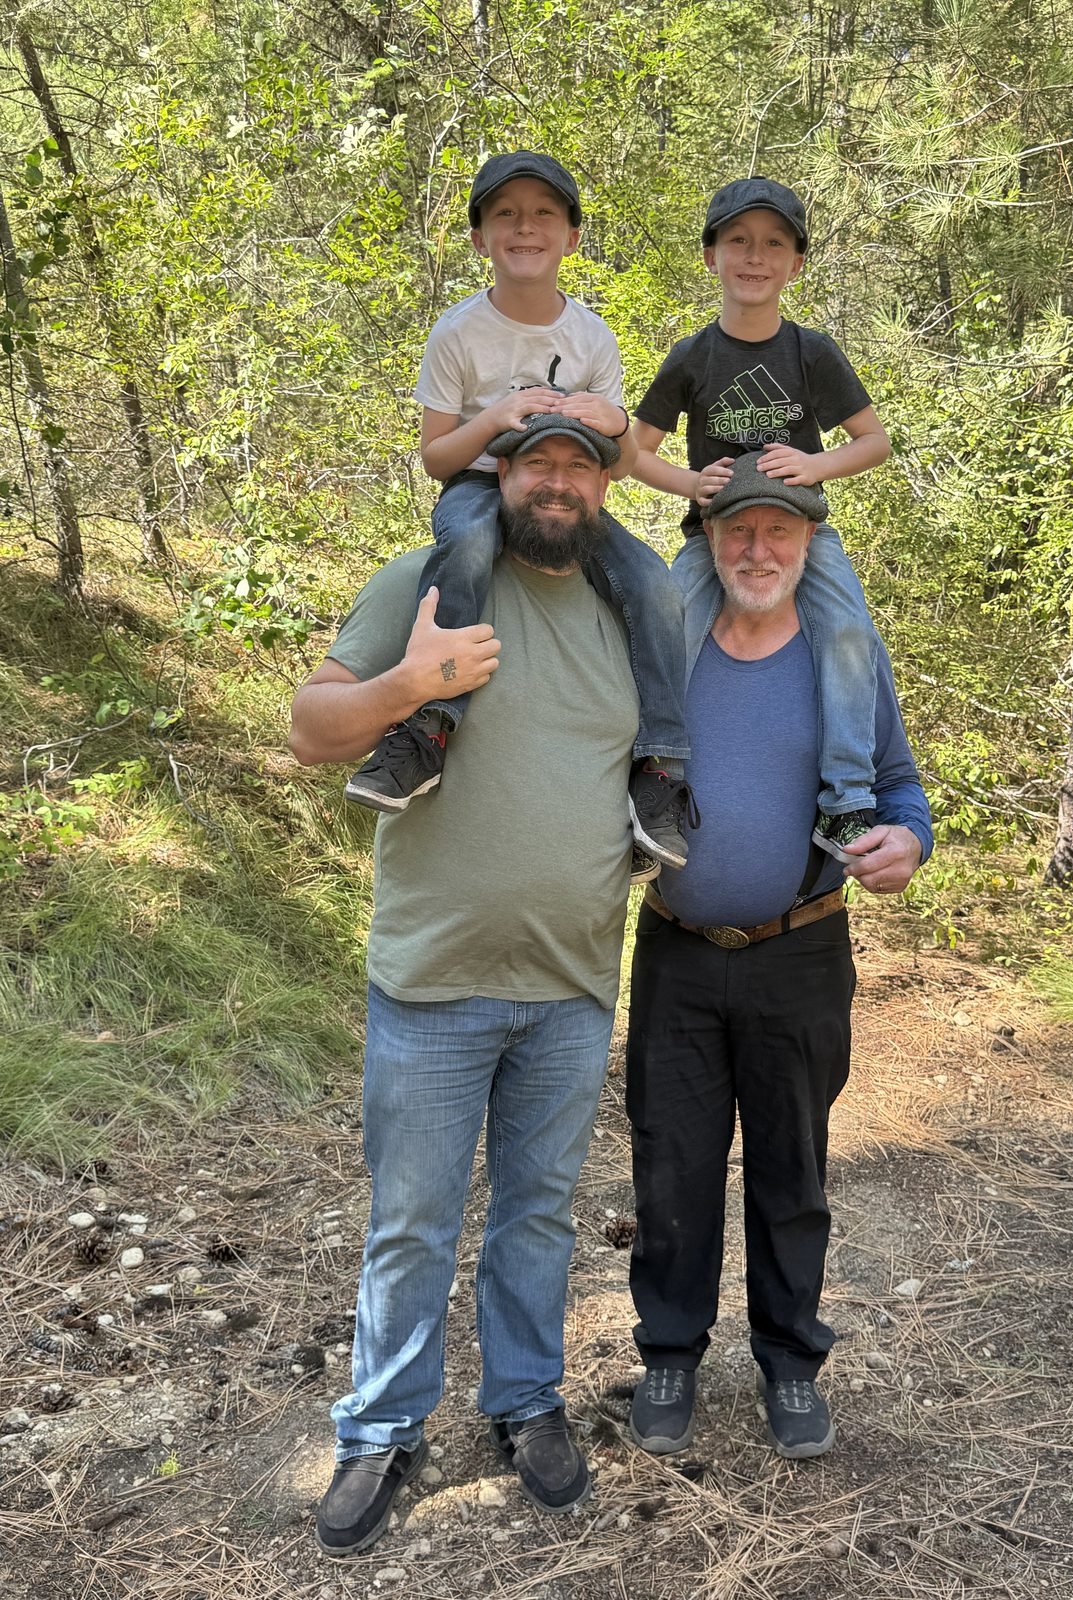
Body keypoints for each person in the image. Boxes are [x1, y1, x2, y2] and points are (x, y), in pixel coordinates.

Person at [290, 413, 651, 1557]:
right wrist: (406, 683)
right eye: (537, 461)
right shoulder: (426, 581)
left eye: (579, 465)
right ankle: (382, 1429)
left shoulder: (629, 612)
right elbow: (311, 728)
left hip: (573, 983)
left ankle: (525, 1401)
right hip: (433, 983)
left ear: (604, 485)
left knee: (538, 1216)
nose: (558, 481)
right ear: (500, 472)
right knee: (412, 1223)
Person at [624, 452, 933, 1460]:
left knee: (792, 1167)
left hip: (801, 951)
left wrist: (910, 840)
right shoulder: (665, 650)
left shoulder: (844, 654)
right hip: (673, 949)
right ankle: (670, 1352)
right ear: (710, 541)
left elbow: (899, 784)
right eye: (738, 530)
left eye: (779, 532)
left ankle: (791, 1362)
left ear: (808, 544)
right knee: (670, 1164)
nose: (757, 550)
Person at [344, 150, 695, 870]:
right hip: (479, 484)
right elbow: (436, 457)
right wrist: (493, 420)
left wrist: (618, 425)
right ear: (480, 238)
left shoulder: (592, 337)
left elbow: (619, 463)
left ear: (572, 236)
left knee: (654, 582)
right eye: (505, 214)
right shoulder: (458, 333)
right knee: (470, 545)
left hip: (562, 493)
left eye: (543, 214)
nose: (525, 227)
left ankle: (660, 766)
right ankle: (428, 728)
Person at [632, 176, 891, 863]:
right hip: (714, 536)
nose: (755, 256)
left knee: (849, 630)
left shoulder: (812, 352)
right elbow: (631, 452)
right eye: (738, 240)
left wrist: (815, 464)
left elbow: (874, 442)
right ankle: (657, 780)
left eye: (774, 244)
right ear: (710, 255)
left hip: (800, 534)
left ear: (796, 263)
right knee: (666, 623)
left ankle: (847, 799)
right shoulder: (693, 356)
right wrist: (690, 483)